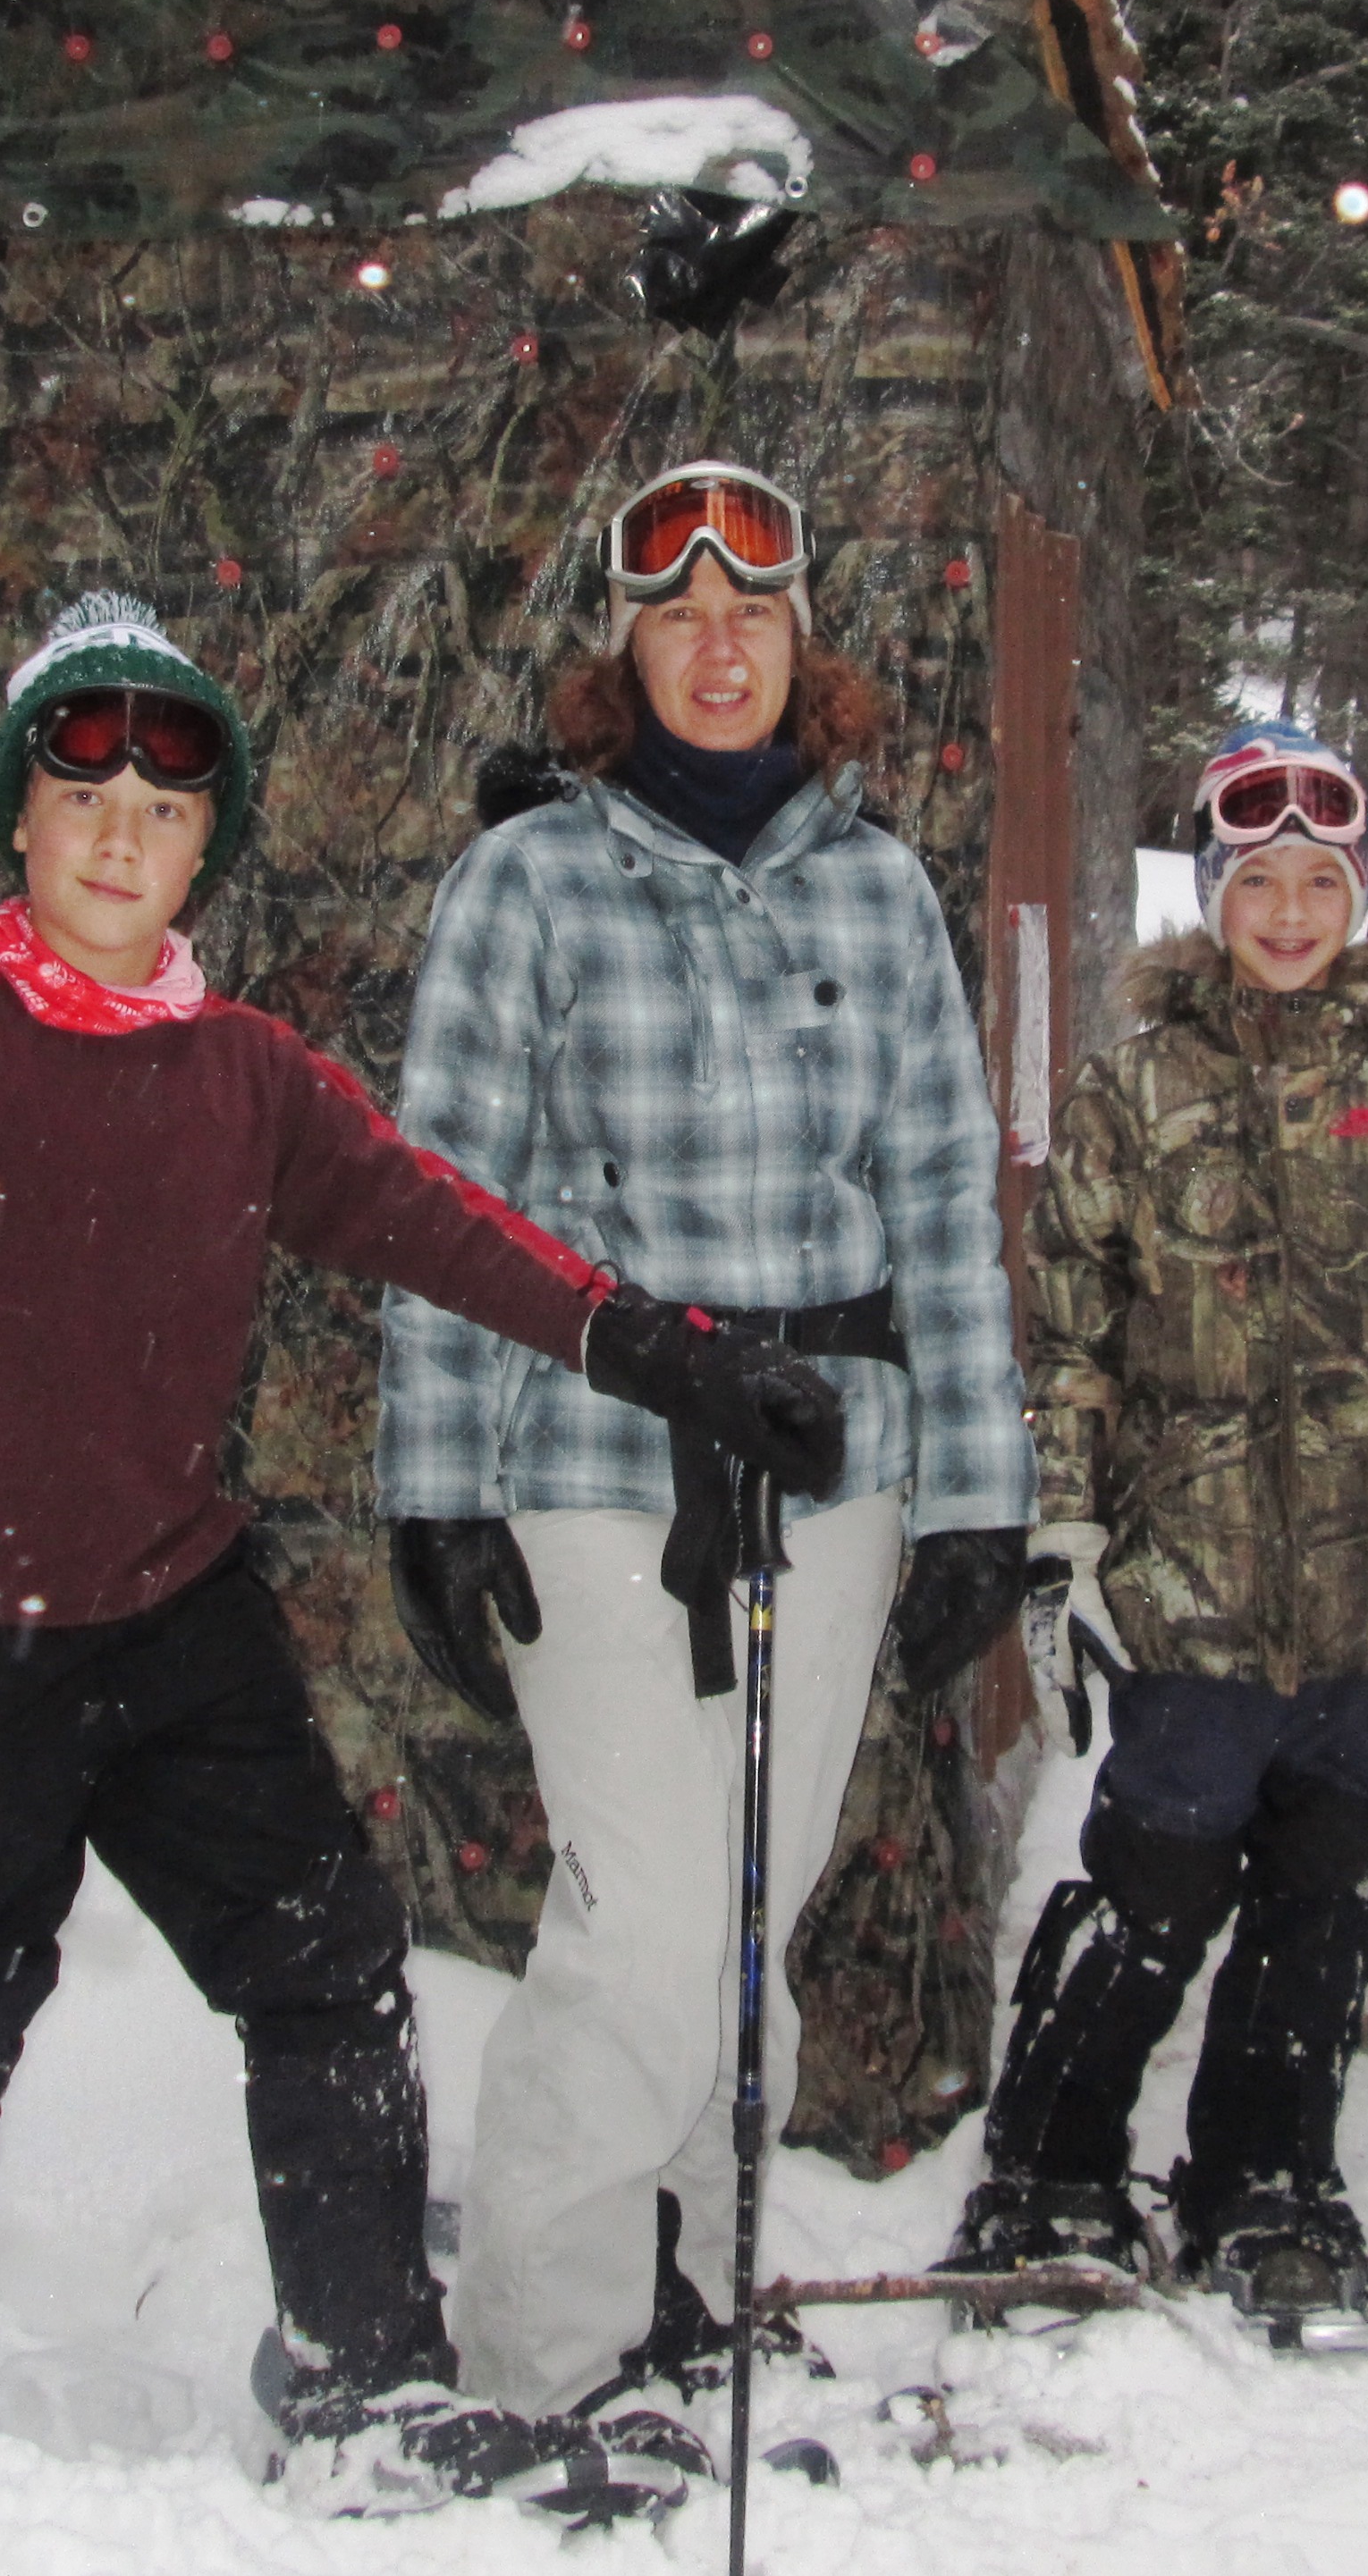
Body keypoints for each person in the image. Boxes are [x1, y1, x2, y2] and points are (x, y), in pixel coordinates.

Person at [0, 593, 846, 2509]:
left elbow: (441, 1223)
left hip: (175, 1617)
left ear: (201, 851)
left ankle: (366, 2389)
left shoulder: (249, 1076)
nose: (119, 836)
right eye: (82, 794)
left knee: (330, 1962)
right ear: (20, 817)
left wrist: (662, 1352)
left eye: (163, 811)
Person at [374, 461, 1037, 2445]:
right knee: (649, 1924)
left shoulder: (879, 890)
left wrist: (978, 1497)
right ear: (628, 648)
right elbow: (444, 1201)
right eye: (678, 611)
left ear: (800, 640)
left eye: (754, 609)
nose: (720, 643)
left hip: (838, 1470)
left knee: (753, 1912)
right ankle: (547, 2360)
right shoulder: (528, 883)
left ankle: (694, 2286)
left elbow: (941, 1203)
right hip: (604, 1465)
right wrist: (435, 1485)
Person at [937, 722, 1368, 2353]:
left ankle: (1266, 2178)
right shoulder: (1133, 1091)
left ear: (1359, 902)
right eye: (1259, 882)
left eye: (1320, 884)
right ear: (1214, 897)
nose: (1290, 913)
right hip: (1192, 1572)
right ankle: (1051, 2163)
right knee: (1159, 1860)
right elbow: (1070, 1334)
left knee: (1325, 1872)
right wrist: (1066, 1533)